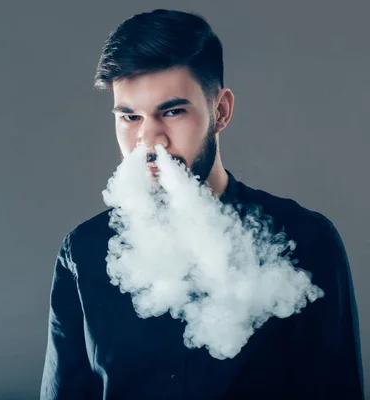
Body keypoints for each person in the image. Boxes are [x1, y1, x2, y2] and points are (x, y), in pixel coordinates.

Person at [39, 9, 364, 400]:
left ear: (220, 111)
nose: (149, 139)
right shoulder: (85, 251)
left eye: (172, 112)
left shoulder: (306, 241)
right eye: (129, 116)